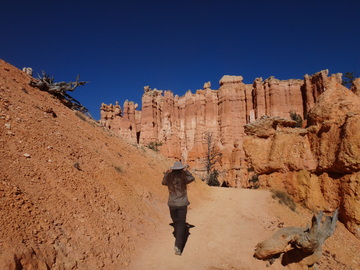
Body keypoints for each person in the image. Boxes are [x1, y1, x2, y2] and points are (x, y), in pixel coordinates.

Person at [162, 161, 195, 255]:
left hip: (172, 204)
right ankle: (178, 246)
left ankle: (178, 234)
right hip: (182, 205)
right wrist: (186, 171)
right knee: (181, 224)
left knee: (176, 221)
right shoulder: (184, 179)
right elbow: (192, 178)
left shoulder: (169, 179)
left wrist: (167, 173)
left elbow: (163, 182)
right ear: (181, 169)